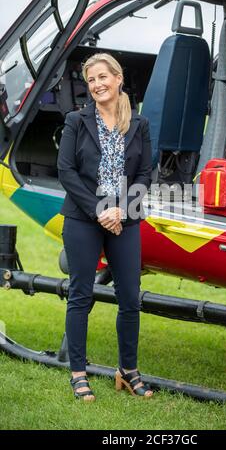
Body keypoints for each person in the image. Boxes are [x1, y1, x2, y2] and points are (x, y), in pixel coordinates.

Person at [57, 53, 153, 401]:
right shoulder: (76, 121)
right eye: (91, 80)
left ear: (118, 79)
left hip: (125, 220)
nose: (96, 85)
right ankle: (79, 373)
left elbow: (144, 174)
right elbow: (66, 171)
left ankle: (128, 370)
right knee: (81, 295)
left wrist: (121, 211)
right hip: (84, 218)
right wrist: (101, 209)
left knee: (130, 298)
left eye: (102, 77)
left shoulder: (139, 124)